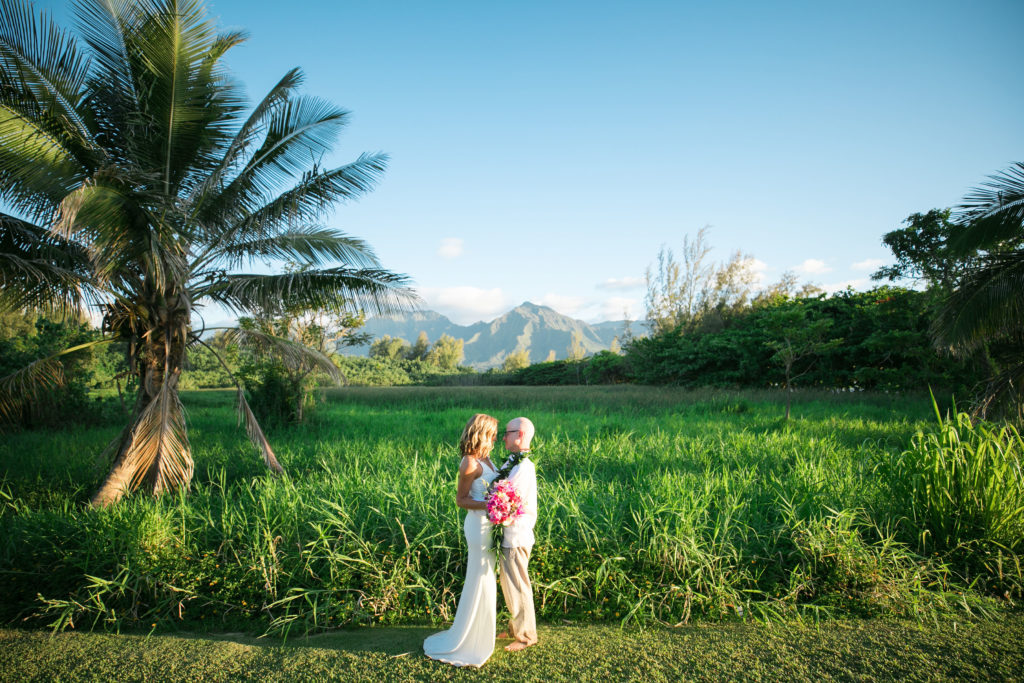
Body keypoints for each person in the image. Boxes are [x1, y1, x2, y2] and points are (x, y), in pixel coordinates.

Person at [423, 413, 500, 668]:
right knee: (480, 577)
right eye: (493, 433)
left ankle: (481, 632)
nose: (497, 437)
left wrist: (503, 503)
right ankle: (470, 640)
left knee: (487, 577)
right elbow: (462, 500)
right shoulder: (469, 462)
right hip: (478, 526)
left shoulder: (486, 458)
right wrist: (492, 505)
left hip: (490, 524)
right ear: (482, 433)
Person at [496, 416, 538, 651]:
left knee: (518, 586)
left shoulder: (523, 467)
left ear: (520, 435)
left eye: (508, 432)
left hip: (516, 535)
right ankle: (515, 628)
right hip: (509, 534)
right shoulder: (513, 462)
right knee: (509, 584)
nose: (504, 436)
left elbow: (506, 501)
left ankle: (526, 636)